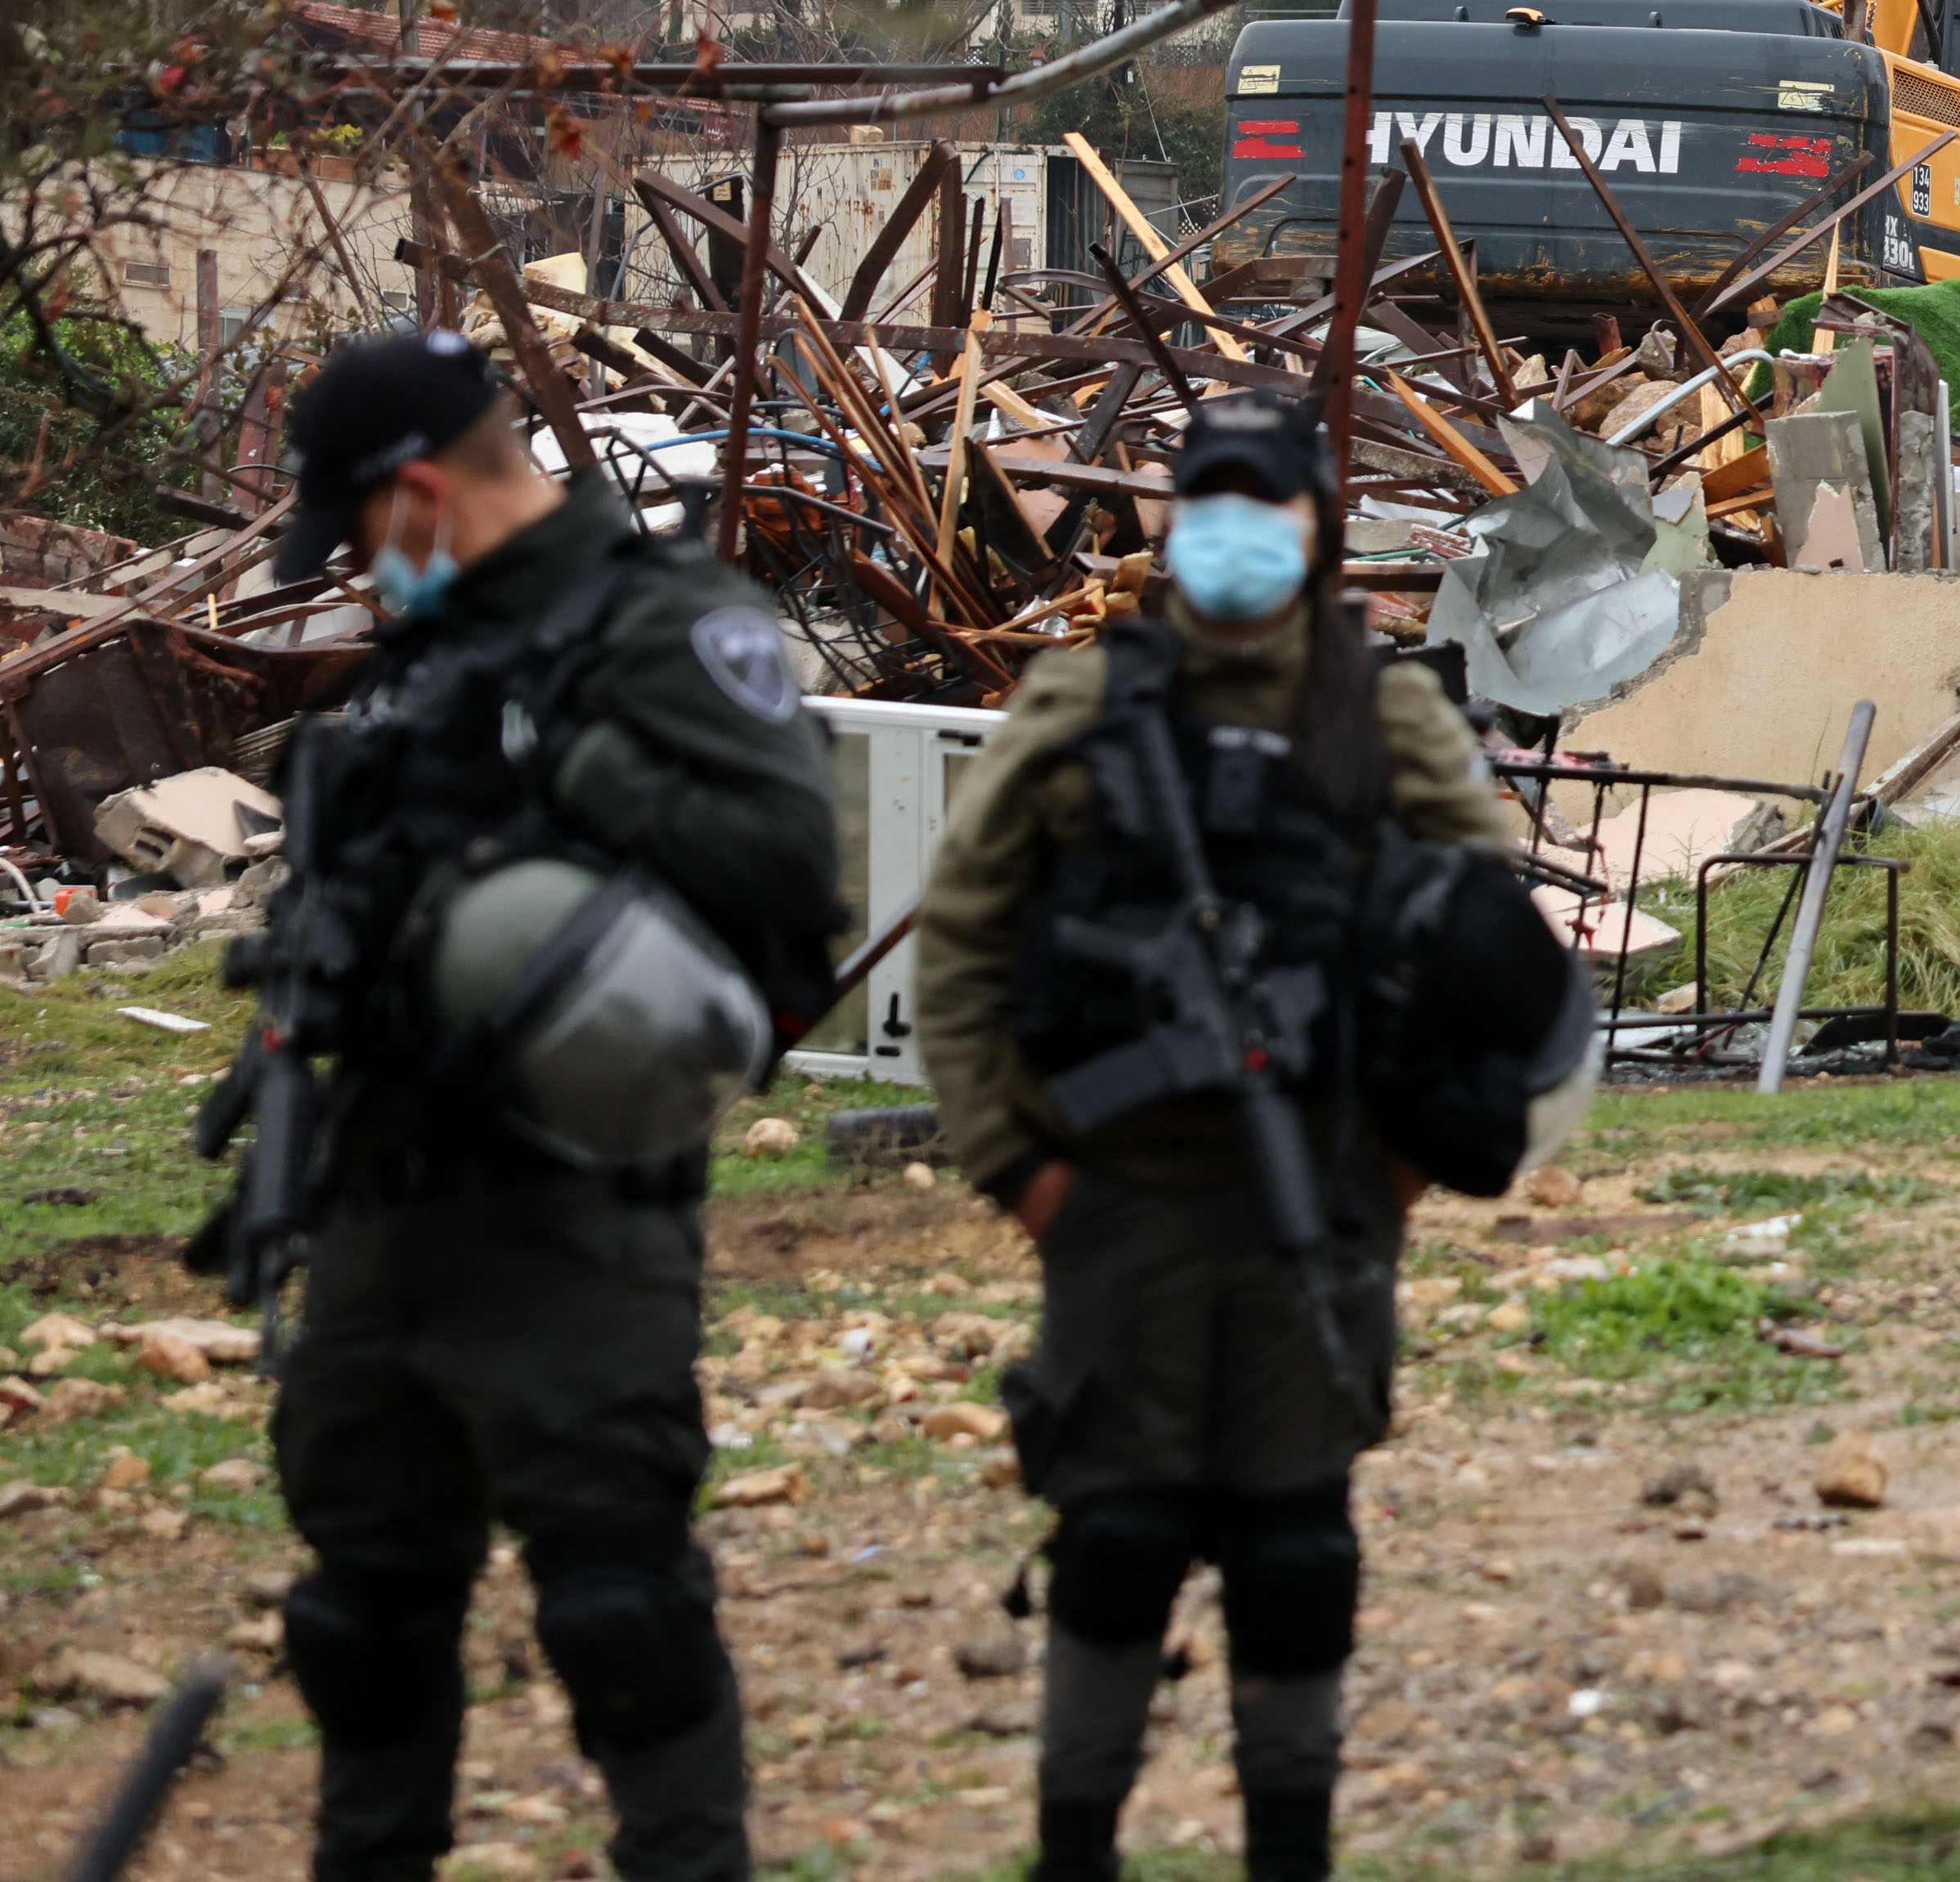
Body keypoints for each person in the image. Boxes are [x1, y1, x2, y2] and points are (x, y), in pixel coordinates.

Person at [236, 328, 845, 1882]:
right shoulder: (424, 658)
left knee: (618, 1609)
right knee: (361, 1617)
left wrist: (554, 756)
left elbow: (787, 865)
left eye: (361, 531)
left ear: (423, 492)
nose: (360, 569)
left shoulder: (661, 625)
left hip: (570, 1209)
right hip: (379, 1199)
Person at [912, 390, 1529, 1882]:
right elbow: (963, 948)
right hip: (1119, 1206)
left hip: (1315, 1207)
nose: (1242, 533)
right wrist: (1022, 1167)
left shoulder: (1385, 720)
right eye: (1216, 504)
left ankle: (1291, 1847)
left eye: (1275, 504)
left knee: (1295, 1551)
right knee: (1113, 1544)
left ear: (1318, 533)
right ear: (1178, 524)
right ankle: (1077, 1843)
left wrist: (1406, 1164)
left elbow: (1489, 950)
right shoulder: (1082, 704)